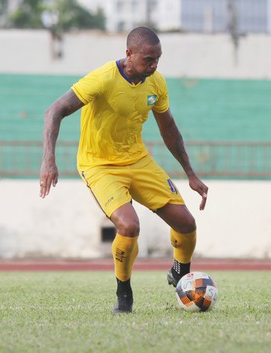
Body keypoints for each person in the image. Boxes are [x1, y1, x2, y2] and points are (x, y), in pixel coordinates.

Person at [39, 26, 209, 314]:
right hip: (99, 165)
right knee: (129, 226)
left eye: (158, 59)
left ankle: (180, 273)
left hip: (138, 160)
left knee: (186, 224)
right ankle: (124, 293)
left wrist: (190, 173)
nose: (154, 66)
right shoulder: (102, 79)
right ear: (129, 54)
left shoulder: (155, 83)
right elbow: (54, 110)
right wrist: (48, 160)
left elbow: (168, 128)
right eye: (148, 59)